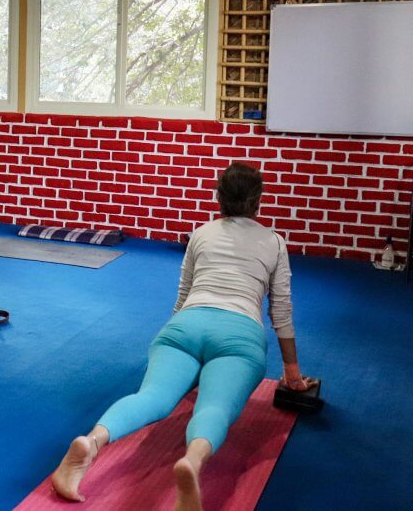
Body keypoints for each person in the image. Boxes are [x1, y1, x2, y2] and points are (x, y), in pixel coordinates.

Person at [50, 163, 316, 511]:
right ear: (258, 202)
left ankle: (92, 442)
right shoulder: (274, 243)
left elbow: (183, 296)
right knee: (215, 407)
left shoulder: (201, 233)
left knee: (153, 396)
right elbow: (281, 312)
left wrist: (181, 342)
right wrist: (292, 373)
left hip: (185, 326)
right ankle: (191, 461)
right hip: (238, 335)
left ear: (218, 197)